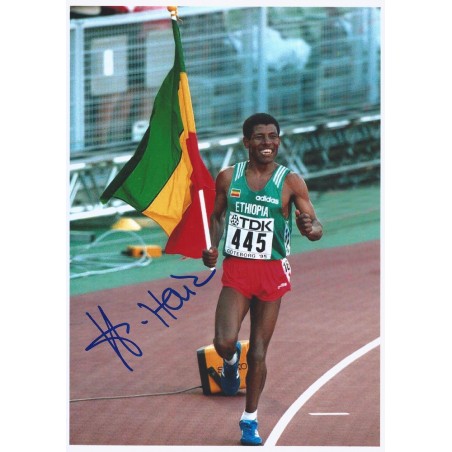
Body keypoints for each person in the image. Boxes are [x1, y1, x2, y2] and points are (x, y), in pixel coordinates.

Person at [202, 113, 323, 445]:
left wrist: (310, 228)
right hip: (238, 271)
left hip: (271, 273)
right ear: (247, 142)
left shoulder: (291, 182)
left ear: (278, 140)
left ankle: (249, 420)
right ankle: (229, 363)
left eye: (273, 136)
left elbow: (315, 227)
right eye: (259, 137)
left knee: (257, 352)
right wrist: (211, 246)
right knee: (224, 341)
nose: (267, 143)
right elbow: (217, 216)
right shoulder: (228, 177)